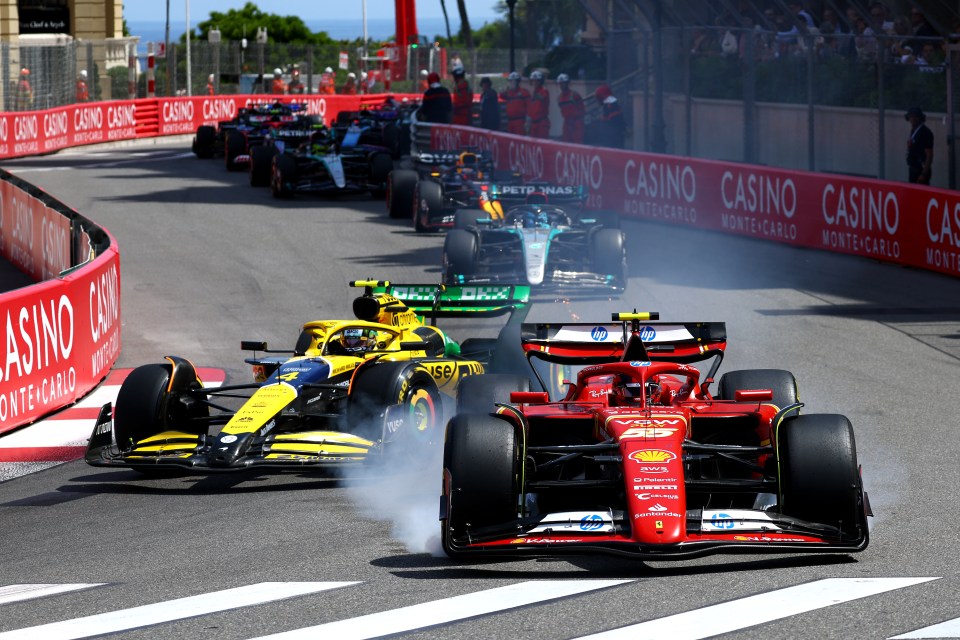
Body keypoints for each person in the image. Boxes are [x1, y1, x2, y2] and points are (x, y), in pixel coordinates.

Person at [905, 107, 933, 184]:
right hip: (913, 168)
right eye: (911, 116)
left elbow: (929, 155)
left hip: (920, 170)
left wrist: (924, 174)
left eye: (915, 116)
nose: (912, 119)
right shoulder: (913, 130)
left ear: (920, 117)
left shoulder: (925, 132)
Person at [594, 84, 626, 149]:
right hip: (610, 135)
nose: (599, 99)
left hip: (615, 135)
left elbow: (613, 119)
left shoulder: (611, 104)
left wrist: (604, 119)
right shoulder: (607, 104)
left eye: (600, 97)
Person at [556, 73, 584, 144]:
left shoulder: (574, 95)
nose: (562, 85)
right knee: (566, 142)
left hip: (576, 122)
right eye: (560, 83)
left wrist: (578, 118)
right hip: (567, 122)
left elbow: (582, 108)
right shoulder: (559, 97)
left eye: (564, 83)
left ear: (567, 83)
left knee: (577, 142)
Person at [527, 70, 550, 138]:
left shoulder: (544, 91)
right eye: (533, 81)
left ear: (540, 81)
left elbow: (542, 98)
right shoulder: (534, 92)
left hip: (542, 123)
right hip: (534, 123)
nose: (534, 83)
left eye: (536, 81)